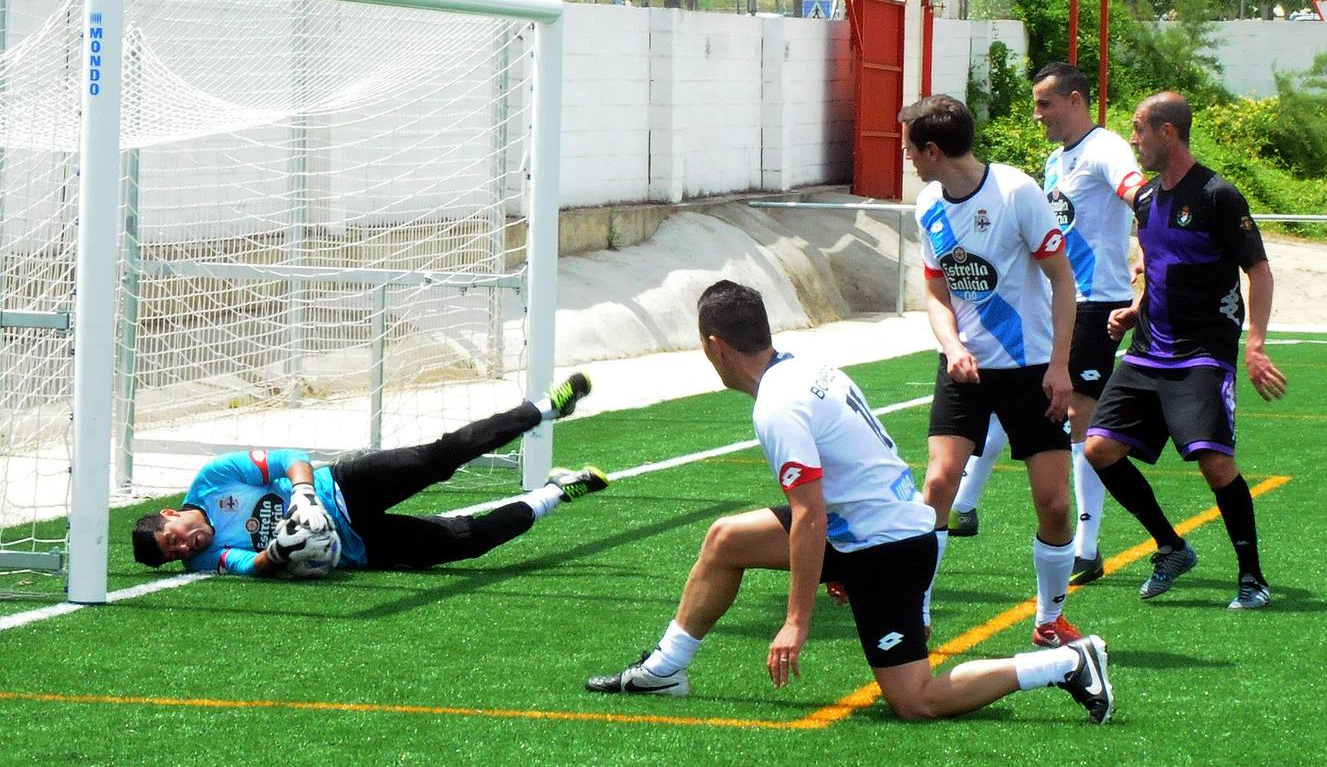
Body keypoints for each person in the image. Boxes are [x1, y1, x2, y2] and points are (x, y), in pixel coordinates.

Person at [584, 280, 1113, 724]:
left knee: (914, 700)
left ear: (714, 345)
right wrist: (838, 559)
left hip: (890, 547)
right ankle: (663, 670)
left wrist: (797, 620)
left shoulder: (777, 407)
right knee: (727, 539)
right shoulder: (802, 367)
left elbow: (810, 516)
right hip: (870, 528)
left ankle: (1065, 663)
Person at [946, 64, 1145, 589]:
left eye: (1045, 105)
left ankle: (1087, 546)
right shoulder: (1058, 160)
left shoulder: (1105, 148)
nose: (1037, 116)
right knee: (1005, 397)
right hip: (1053, 304)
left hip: (1094, 302)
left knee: (1077, 417)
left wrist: (1152, 257)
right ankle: (963, 506)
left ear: (1075, 101)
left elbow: (1142, 198)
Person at [1084, 91, 1286, 610]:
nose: (1133, 139)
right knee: (1099, 449)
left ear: (1167, 133)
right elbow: (1157, 264)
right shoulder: (1147, 199)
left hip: (1201, 352)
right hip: (1148, 349)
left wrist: (1256, 343)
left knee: (1215, 464)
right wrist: (1135, 309)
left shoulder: (1219, 195)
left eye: (1139, 128)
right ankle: (1172, 546)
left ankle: (1252, 577)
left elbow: (1258, 271)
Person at [904, 94, 1087, 649]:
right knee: (937, 483)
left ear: (932, 149)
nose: (908, 157)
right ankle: (918, 611)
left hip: (1031, 368)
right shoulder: (928, 205)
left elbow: (1061, 279)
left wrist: (1060, 367)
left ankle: (1049, 618)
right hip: (965, 369)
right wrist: (951, 344)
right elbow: (936, 289)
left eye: (911, 147)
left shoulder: (1016, 192)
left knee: (1055, 503)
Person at [131, 374, 606, 576]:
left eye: (174, 538)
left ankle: (544, 408)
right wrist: (278, 551)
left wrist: (302, 498)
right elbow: (250, 567)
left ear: (171, 514)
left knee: (441, 457)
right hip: (356, 549)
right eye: (175, 554)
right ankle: (556, 493)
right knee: (465, 541)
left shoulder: (214, 479)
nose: (185, 547)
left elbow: (289, 458)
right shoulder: (202, 560)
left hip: (341, 487)